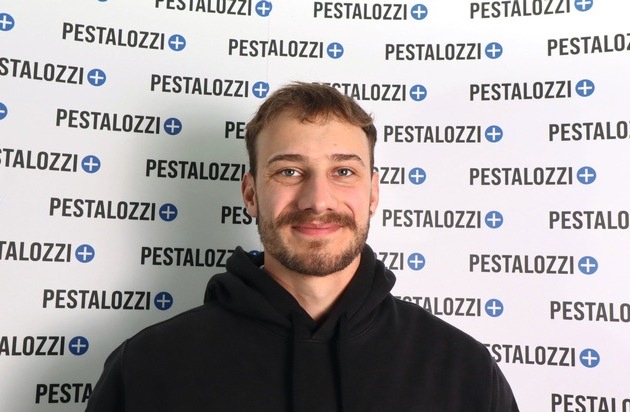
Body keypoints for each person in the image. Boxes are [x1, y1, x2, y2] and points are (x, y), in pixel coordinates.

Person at [85, 82, 519, 411]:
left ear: (372, 193)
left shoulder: (464, 371)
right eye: (289, 171)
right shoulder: (147, 367)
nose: (318, 200)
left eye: (343, 172)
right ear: (251, 194)